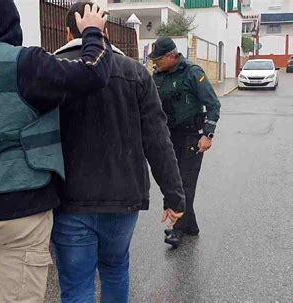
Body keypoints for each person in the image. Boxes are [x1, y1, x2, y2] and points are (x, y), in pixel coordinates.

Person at [0, 0, 112, 302]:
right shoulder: (26, 64)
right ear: (12, 24)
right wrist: (93, 31)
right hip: (20, 212)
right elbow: (93, 74)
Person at [51, 3, 186, 302]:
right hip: (123, 199)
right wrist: (174, 195)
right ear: (106, 32)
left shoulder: (52, 70)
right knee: (114, 269)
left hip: (69, 200)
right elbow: (158, 139)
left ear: (66, 32)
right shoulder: (136, 74)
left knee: (76, 284)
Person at [149, 36, 221, 248]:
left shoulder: (192, 73)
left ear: (172, 56)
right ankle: (190, 225)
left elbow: (213, 105)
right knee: (173, 180)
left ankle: (178, 228)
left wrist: (208, 135)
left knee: (184, 182)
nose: (155, 63)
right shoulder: (158, 76)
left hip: (191, 136)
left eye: (159, 59)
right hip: (169, 136)